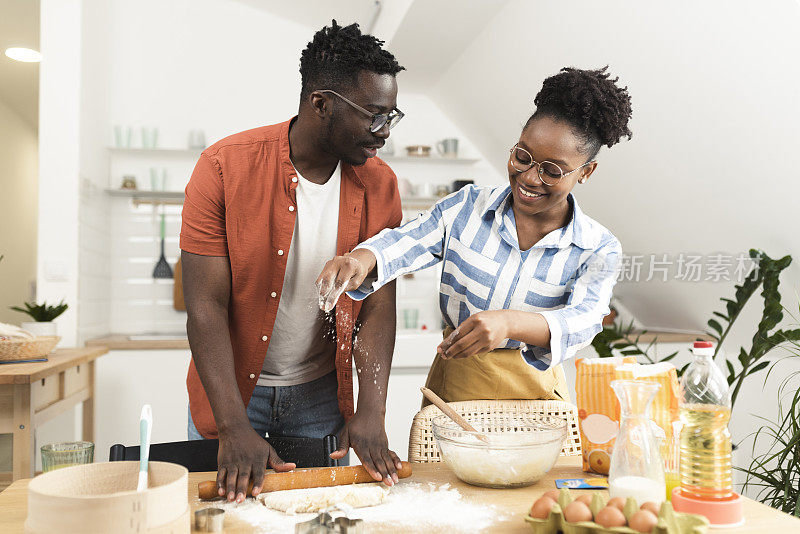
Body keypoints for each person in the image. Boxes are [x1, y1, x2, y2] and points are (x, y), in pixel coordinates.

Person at [179, 21, 406, 503]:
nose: (384, 133)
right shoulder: (223, 167)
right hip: (234, 392)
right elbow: (204, 307)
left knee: (316, 513)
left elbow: (378, 306)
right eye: (374, 116)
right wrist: (232, 425)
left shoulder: (380, 185)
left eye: (392, 115)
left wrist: (372, 411)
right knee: (230, 516)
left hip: (322, 393)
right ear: (321, 104)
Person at [317, 66, 632, 406]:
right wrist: (362, 259)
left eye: (551, 171)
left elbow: (583, 319)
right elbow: (408, 241)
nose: (528, 178)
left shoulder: (597, 248)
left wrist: (510, 323)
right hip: (456, 389)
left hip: (538, 400)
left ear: (585, 172)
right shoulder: (466, 207)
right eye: (522, 157)